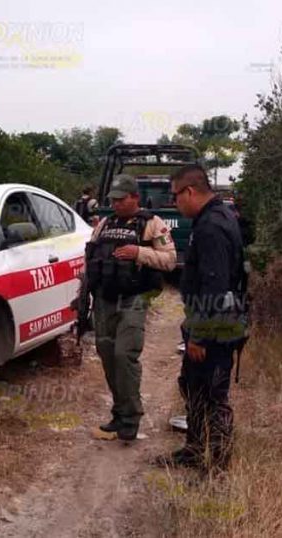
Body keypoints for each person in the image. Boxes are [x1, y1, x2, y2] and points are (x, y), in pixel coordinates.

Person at [157, 163, 247, 472]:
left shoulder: (211, 226)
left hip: (214, 328)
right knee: (193, 386)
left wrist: (198, 336)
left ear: (190, 191)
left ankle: (218, 468)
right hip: (215, 322)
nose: (174, 203)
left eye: (175, 196)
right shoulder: (215, 217)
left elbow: (215, 286)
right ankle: (194, 451)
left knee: (213, 397)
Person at [85, 174, 176, 440]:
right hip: (104, 299)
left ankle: (131, 417)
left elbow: (170, 260)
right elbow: (90, 259)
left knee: (125, 355)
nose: (115, 204)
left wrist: (138, 253)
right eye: (112, 200)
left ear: (135, 197)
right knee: (108, 355)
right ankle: (119, 412)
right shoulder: (104, 224)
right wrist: (81, 296)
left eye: (121, 199)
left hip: (134, 298)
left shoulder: (152, 224)